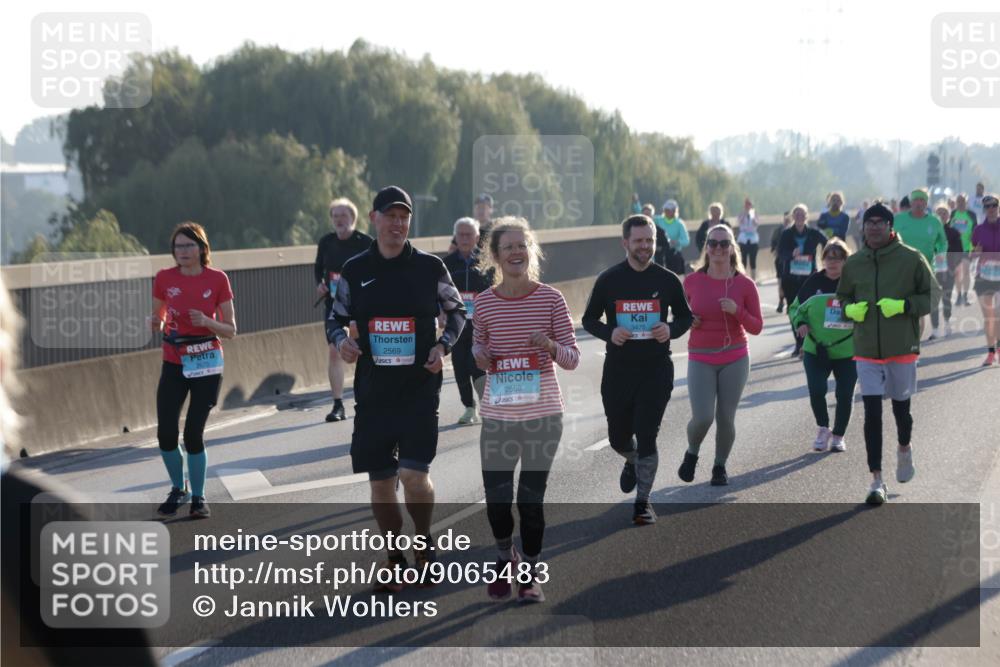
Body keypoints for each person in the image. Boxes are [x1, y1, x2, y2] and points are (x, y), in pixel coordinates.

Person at [327, 185, 466, 589]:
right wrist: (342, 342)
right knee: (381, 480)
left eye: (404, 217)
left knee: (413, 475)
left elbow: (457, 313)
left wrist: (443, 346)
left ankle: (424, 545)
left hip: (420, 385)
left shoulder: (429, 267)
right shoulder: (355, 269)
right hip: (373, 389)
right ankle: (395, 556)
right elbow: (335, 319)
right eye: (390, 216)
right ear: (374, 219)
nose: (398, 223)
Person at [472, 217, 580, 603]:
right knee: (498, 500)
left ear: (530, 251)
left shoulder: (551, 299)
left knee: (530, 502)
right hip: (499, 417)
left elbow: (572, 358)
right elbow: (477, 349)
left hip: (542, 416)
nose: (516, 252)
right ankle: (505, 557)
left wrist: (550, 346)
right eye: (508, 247)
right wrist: (481, 356)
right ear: (496, 256)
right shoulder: (484, 303)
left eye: (522, 245)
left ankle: (531, 573)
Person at [583, 215, 693, 524]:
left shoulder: (668, 280)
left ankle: (643, 503)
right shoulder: (609, 279)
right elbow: (589, 320)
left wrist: (670, 329)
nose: (645, 247)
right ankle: (631, 460)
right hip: (619, 370)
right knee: (619, 437)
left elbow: (686, 317)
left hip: (656, 370)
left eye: (650, 241)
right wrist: (610, 333)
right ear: (625, 243)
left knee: (647, 435)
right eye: (639, 241)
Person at [837, 202, 936, 506]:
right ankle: (876, 480)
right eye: (870, 222)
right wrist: (847, 309)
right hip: (866, 348)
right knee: (872, 414)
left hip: (901, 348)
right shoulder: (854, 263)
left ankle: (904, 448)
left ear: (891, 227)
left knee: (901, 413)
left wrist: (905, 306)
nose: (875, 227)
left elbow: (931, 295)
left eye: (881, 222)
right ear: (863, 227)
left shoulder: (911, 259)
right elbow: (842, 296)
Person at [152, 223, 237, 519]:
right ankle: (179, 488)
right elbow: (160, 313)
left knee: (192, 434)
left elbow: (231, 329)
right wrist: (157, 322)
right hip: (174, 360)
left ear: (202, 248)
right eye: (178, 247)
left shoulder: (217, 279)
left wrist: (206, 321)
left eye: (188, 246)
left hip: (207, 362)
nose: (183, 252)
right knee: (165, 432)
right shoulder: (164, 278)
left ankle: (199, 497)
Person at [679, 224, 763, 486]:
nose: (718, 249)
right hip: (701, 356)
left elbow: (757, 326)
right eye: (713, 243)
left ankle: (719, 466)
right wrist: (687, 320)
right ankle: (692, 452)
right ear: (706, 248)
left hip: (735, 356)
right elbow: (677, 317)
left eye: (724, 244)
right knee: (703, 417)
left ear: (732, 248)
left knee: (725, 416)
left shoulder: (744, 284)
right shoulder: (692, 281)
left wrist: (738, 311)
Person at [788, 239, 857, 452]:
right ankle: (823, 427)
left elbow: (869, 309)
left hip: (847, 350)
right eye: (828, 257)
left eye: (837, 258)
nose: (832, 262)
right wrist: (800, 324)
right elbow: (795, 309)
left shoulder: (854, 284)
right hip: (815, 348)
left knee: (845, 394)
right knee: (817, 390)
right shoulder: (813, 282)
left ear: (846, 261)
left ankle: (838, 434)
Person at [314, 198, 373, 422]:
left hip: (361, 305)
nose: (339, 220)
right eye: (335, 216)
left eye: (343, 216)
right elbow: (319, 268)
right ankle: (338, 404)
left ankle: (366, 397)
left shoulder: (365, 242)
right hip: (334, 305)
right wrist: (319, 284)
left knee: (362, 352)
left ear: (353, 218)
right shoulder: (326, 242)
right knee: (335, 350)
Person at [443, 217, 491, 424]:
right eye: (460, 234)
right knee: (460, 368)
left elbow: (496, 290)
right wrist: (440, 311)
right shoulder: (446, 263)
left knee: (477, 366)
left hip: (480, 324)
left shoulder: (487, 262)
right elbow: (438, 292)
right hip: (457, 324)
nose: (464, 238)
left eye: (468, 234)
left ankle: (486, 405)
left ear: (477, 237)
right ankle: (469, 408)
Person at [893, 188, 947, 338]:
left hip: (925, 270)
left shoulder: (934, 222)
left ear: (926, 203)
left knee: (916, 311)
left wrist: (941, 253)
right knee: (901, 308)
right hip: (901, 270)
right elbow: (889, 238)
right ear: (911, 202)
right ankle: (904, 343)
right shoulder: (899, 219)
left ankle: (914, 347)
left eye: (922, 200)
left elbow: (942, 242)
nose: (918, 203)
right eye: (916, 200)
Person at [776, 204, 828, 355]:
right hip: (790, 278)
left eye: (802, 214)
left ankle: (809, 342)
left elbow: (828, 243)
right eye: (797, 214)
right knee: (793, 310)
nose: (799, 216)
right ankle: (799, 343)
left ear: (807, 216)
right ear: (793, 216)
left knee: (810, 310)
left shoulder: (813, 233)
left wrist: (827, 258)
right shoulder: (786, 234)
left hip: (809, 278)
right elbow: (780, 254)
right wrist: (791, 254)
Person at [970, 193, 1000, 366]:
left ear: (998, 206)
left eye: (993, 205)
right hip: (983, 277)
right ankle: (991, 352)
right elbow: (972, 253)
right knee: (988, 316)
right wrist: (976, 253)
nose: (990, 209)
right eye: (987, 206)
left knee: (998, 314)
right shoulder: (978, 230)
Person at [930, 201, 964, 338]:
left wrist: (955, 268)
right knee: (933, 299)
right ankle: (935, 329)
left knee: (946, 299)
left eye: (944, 213)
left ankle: (947, 322)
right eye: (939, 213)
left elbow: (959, 252)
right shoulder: (931, 232)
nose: (942, 215)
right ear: (935, 215)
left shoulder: (954, 233)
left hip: (948, 270)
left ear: (948, 216)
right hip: (933, 270)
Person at [949, 193, 978, 306]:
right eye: (958, 201)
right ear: (956, 202)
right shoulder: (952, 214)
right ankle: (959, 295)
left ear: (966, 202)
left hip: (967, 248)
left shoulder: (971, 215)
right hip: (955, 248)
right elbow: (948, 228)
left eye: (962, 201)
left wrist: (974, 245)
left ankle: (965, 296)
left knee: (966, 271)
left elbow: (976, 231)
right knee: (957, 273)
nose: (960, 203)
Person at [653, 199, 689, 274]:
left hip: (674, 256)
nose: (667, 212)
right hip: (660, 254)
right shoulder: (658, 220)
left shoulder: (679, 224)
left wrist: (677, 242)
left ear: (674, 211)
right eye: (665, 210)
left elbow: (686, 241)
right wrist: (636, 203)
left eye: (669, 210)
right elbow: (644, 216)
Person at [771, 211, 793, 313]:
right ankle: (781, 302)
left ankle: (790, 303)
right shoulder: (778, 230)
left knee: (790, 283)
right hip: (780, 260)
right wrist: (776, 251)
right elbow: (773, 244)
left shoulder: (795, 231)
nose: (787, 219)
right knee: (781, 282)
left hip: (793, 261)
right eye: (786, 217)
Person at [736, 197, 760, 282]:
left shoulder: (755, 214)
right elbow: (739, 222)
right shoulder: (741, 214)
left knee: (753, 260)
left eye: (749, 204)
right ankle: (743, 278)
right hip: (743, 239)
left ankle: (753, 279)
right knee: (743, 260)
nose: (748, 206)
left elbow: (757, 223)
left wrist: (753, 218)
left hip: (753, 238)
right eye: (746, 204)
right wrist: (745, 214)